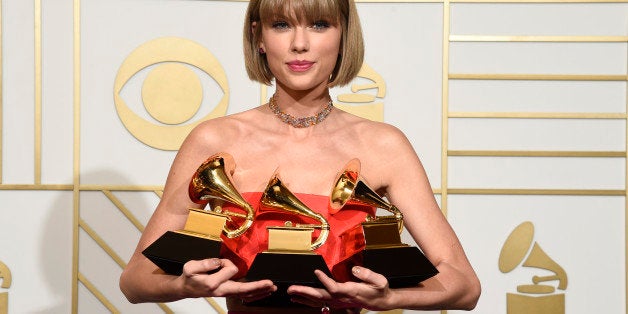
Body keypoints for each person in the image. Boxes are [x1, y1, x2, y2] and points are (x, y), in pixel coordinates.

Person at [119, 0, 481, 312]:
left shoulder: (383, 145)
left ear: (343, 37)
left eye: (319, 24)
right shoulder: (213, 140)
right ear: (259, 37)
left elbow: (464, 285)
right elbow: (135, 279)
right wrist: (182, 286)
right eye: (281, 25)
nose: (300, 44)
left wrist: (390, 297)